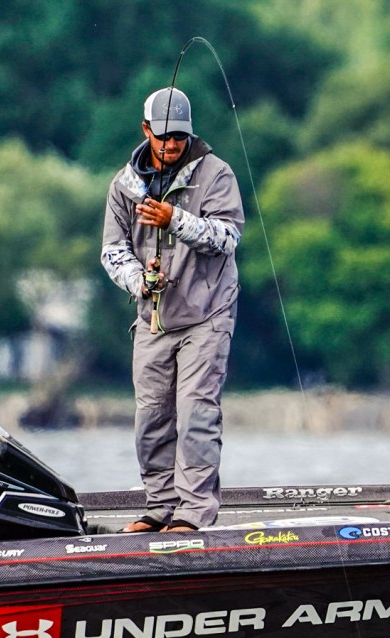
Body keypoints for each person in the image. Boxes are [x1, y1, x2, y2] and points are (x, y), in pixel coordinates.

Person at [101, 86, 244, 532]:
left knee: (196, 414)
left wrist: (174, 220)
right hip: (153, 318)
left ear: (189, 133)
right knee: (150, 419)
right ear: (146, 130)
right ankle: (160, 506)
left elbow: (227, 237)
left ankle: (193, 512)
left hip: (207, 314)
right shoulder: (124, 185)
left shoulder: (216, 174)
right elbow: (113, 251)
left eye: (180, 136)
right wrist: (139, 281)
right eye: (164, 136)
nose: (172, 144)